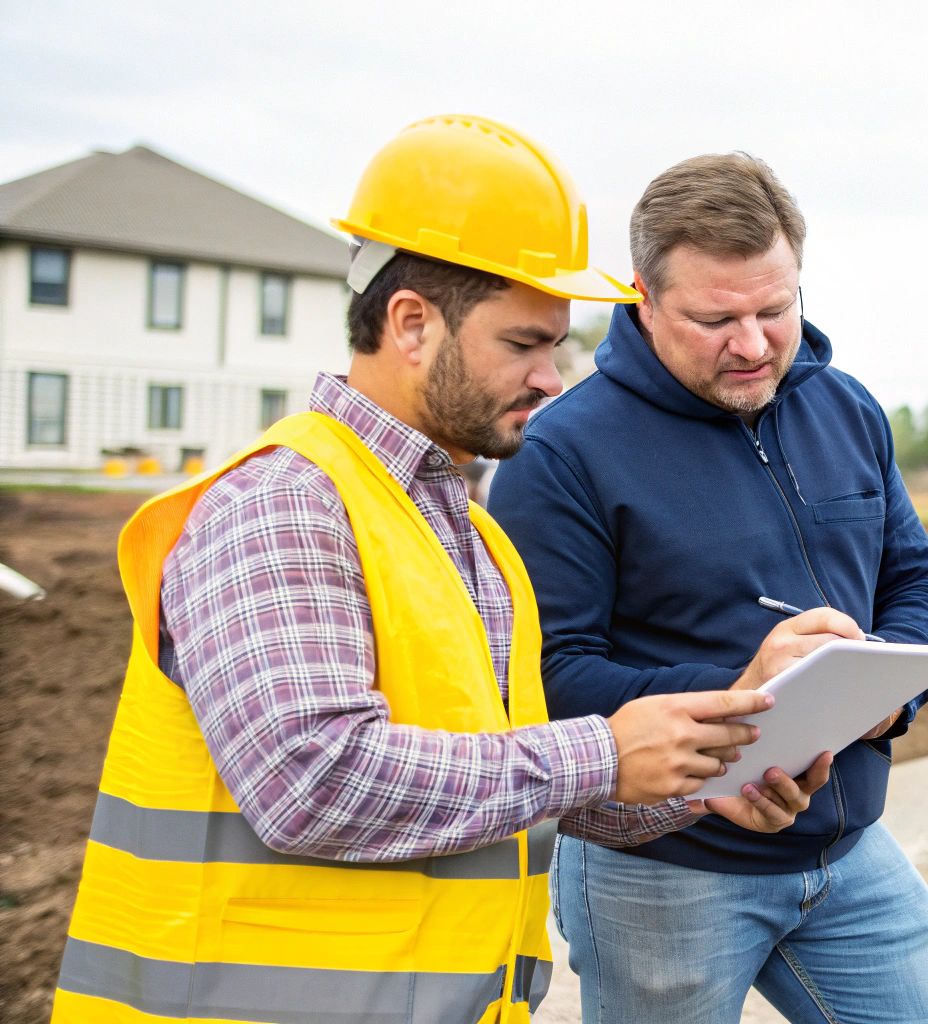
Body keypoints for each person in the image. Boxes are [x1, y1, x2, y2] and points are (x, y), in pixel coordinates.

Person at [52, 117, 832, 1024]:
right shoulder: (285, 503)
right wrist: (604, 750)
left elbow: (506, 772)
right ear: (412, 323)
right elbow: (313, 782)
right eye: (524, 344)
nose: (552, 378)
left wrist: (702, 785)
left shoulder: (467, 531)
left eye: (557, 344)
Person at [489, 153, 928, 1023]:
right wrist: (743, 697)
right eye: (715, 318)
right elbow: (547, 678)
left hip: (847, 849)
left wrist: (878, 697)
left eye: (774, 310)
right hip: (663, 874)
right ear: (641, 295)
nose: (752, 344)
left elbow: (917, 581)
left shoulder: (848, 409)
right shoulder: (560, 453)